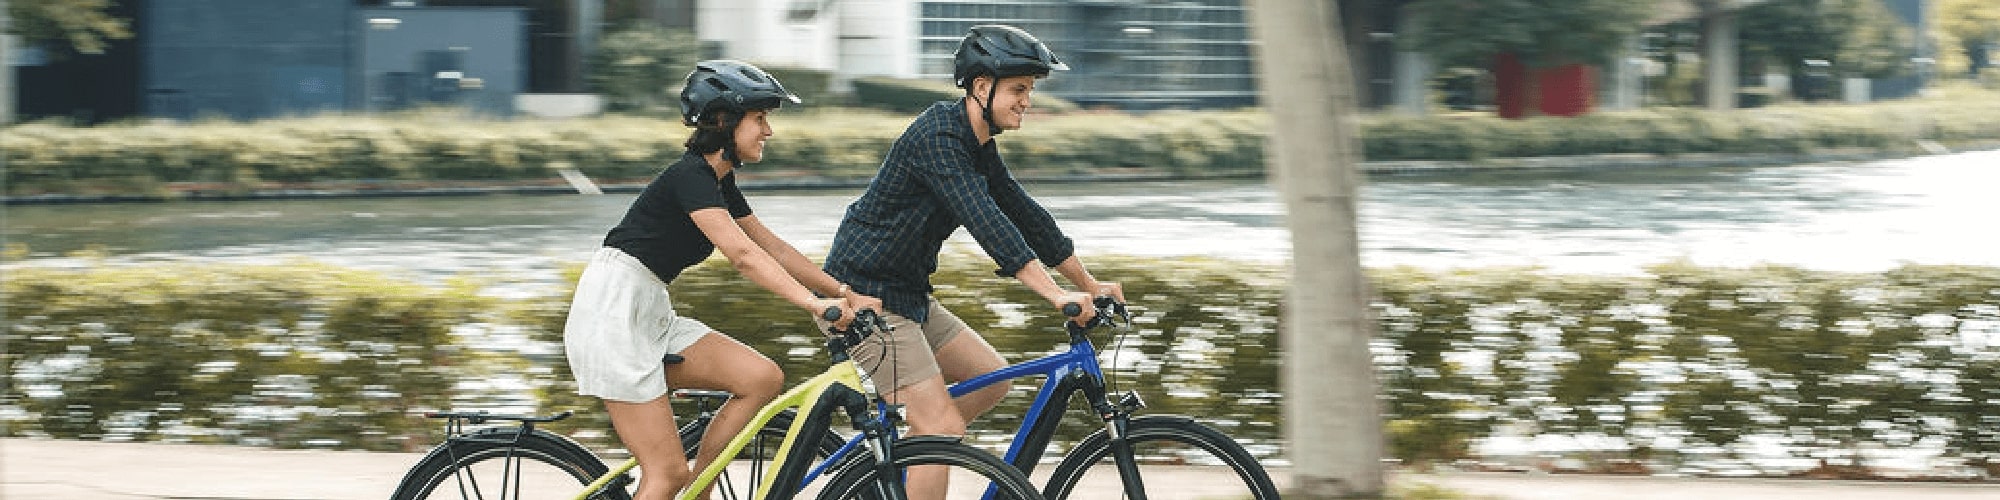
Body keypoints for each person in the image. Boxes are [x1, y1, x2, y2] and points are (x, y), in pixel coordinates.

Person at [815, 25, 1124, 499]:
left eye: (1030, 91)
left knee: (988, 379)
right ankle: (920, 450)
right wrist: (1056, 295)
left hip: (908, 296)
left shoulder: (976, 143)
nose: (1027, 100)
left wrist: (1089, 282)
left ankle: (903, 463)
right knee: (939, 426)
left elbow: (1024, 216)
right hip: (862, 297)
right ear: (982, 87)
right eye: (1019, 89)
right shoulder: (939, 137)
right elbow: (989, 226)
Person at [563, 59, 881, 500]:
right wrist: (812, 305)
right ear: (722, 121)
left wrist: (845, 293)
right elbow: (743, 256)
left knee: (760, 378)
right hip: (613, 312)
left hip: (647, 306)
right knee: (665, 474)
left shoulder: (718, 182)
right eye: (759, 118)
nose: (768, 130)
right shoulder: (689, 177)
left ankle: (702, 491)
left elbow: (776, 250)